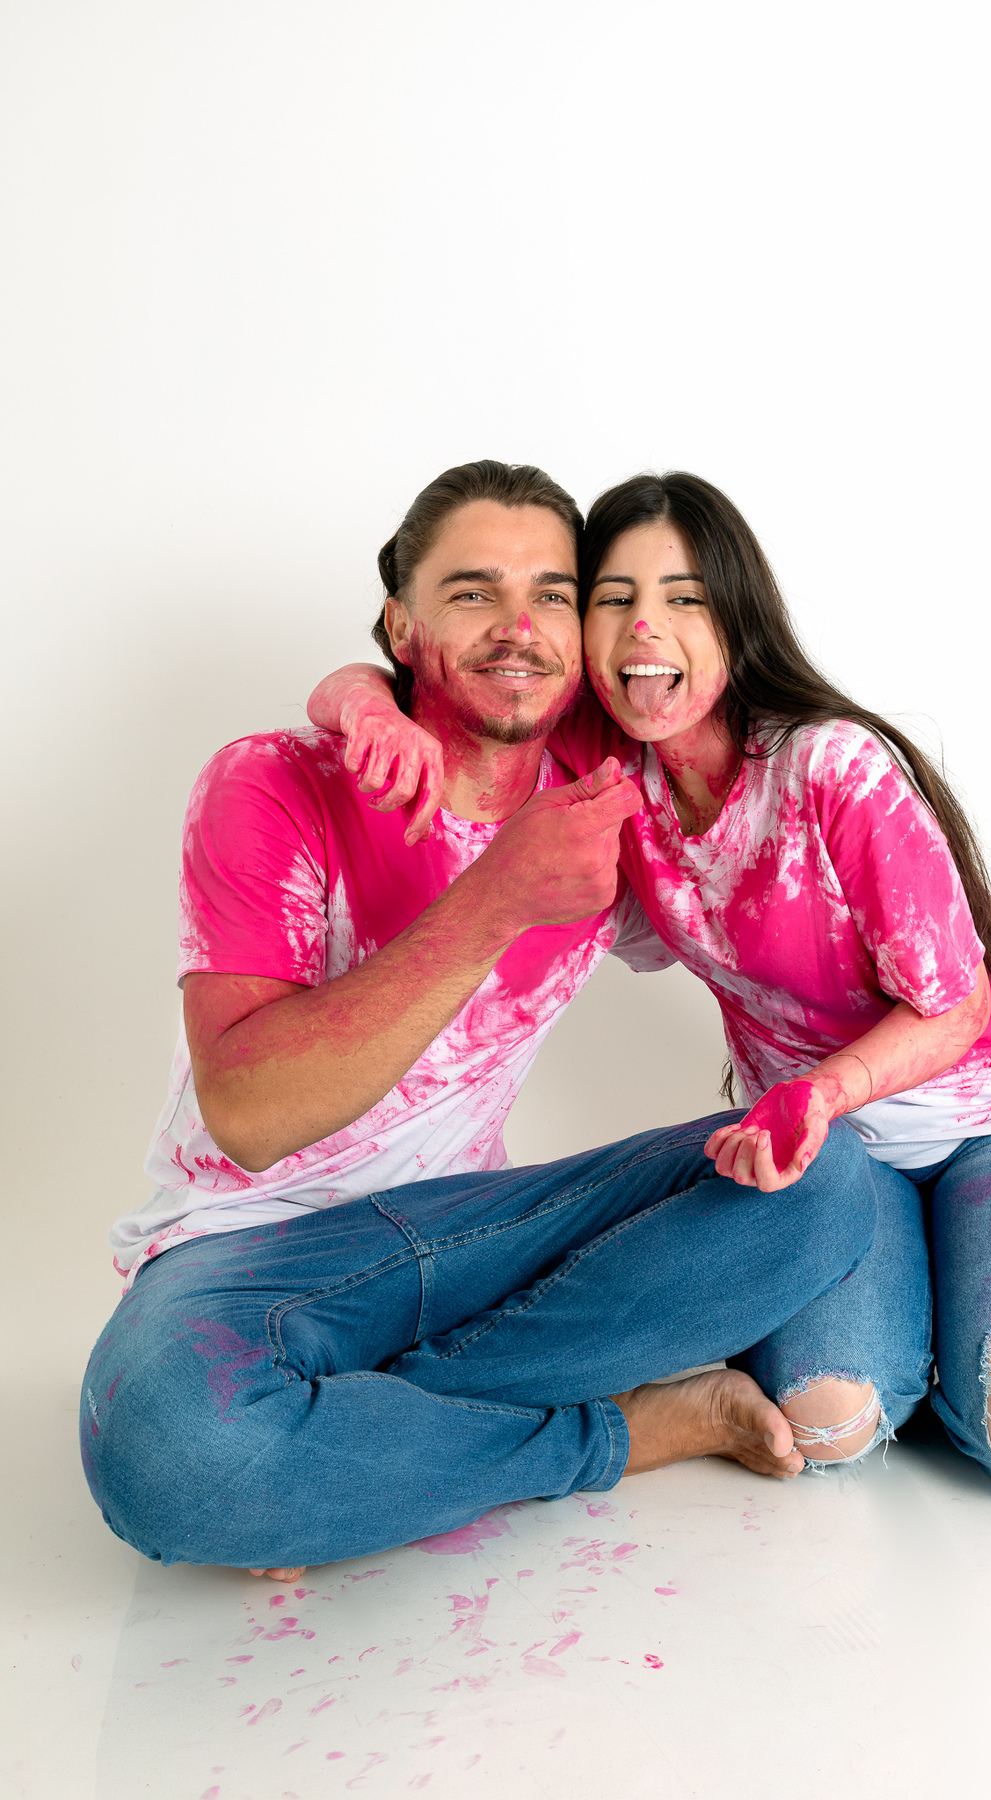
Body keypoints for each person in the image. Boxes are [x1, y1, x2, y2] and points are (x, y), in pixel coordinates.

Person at [82, 460, 895, 1583]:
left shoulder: (607, 783)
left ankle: (351, 1453)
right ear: (401, 626)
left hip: (474, 1229)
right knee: (169, 1449)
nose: (519, 627)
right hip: (250, 1254)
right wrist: (492, 898)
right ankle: (616, 1432)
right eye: (472, 593)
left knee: (822, 1184)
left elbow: (809, 881)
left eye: (552, 595)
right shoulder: (271, 783)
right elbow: (249, 1117)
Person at [312, 469, 991, 1504]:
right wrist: (373, 710)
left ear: (737, 619)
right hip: (832, 1158)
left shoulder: (831, 765)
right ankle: (939, 1328)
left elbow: (956, 1003)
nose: (645, 627)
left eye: (685, 598)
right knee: (826, 1425)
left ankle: (984, 1308)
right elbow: (375, 671)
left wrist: (955, 1001)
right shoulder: (611, 770)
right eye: (614, 598)